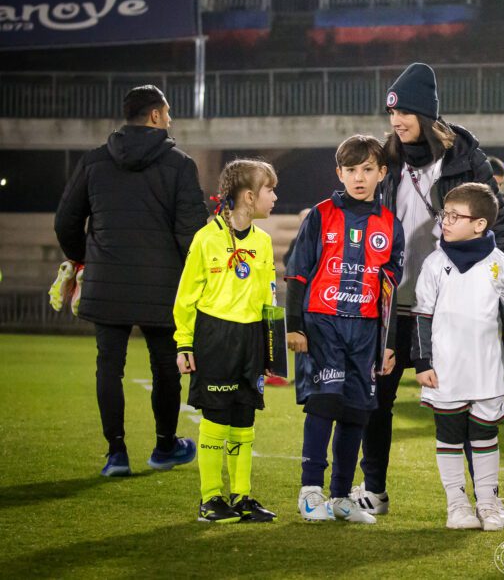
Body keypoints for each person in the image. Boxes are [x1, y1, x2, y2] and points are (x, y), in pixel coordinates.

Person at [354, 62, 504, 520]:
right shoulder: (384, 159)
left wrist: (489, 290)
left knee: (465, 405)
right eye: (391, 113)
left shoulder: (466, 158)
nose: (396, 121)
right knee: (376, 402)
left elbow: (498, 225)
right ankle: (374, 490)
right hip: (392, 305)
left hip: (450, 308)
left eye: (404, 112)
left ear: (426, 113)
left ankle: (484, 499)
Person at [54, 85, 207, 477]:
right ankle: (165, 447)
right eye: (167, 112)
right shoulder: (180, 165)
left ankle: (116, 454)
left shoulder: (94, 161)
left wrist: (86, 259)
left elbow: (66, 221)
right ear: (155, 115)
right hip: (164, 285)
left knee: (109, 366)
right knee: (166, 367)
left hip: (107, 281)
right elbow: (192, 235)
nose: (170, 119)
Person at [284, 135, 405, 523]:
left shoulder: (391, 225)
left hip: (366, 331)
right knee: (324, 403)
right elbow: (297, 274)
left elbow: (389, 292)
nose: (359, 177)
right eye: (351, 170)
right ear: (339, 173)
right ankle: (310, 492)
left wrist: (387, 343)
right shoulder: (321, 215)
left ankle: (340, 497)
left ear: (382, 173)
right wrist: (294, 326)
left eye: (367, 169)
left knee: (356, 411)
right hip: (323, 324)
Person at [410, 182, 504, 530]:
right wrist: (422, 362)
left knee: (485, 435)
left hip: (488, 367)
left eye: (454, 216)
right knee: (448, 434)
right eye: (444, 215)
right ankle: (457, 505)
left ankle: (488, 503)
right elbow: (422, 315)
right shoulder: (434, 263)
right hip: (446, 368)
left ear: (479, 224)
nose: (445, 221)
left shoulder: (501, 264)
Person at [173, 159, 279, 523]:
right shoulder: (206, 239)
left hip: (251, 339)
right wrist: (184, 343)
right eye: (269, 190)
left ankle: (241, 497)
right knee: (217, 418)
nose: (274, 197)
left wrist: (270, 349)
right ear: (249, 196)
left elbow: (268, 297)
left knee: (245, 419)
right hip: (216, 337)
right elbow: (186, 296)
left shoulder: (263, 242)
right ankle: (210, 498)